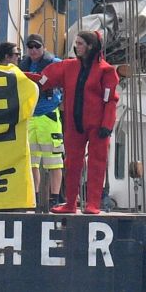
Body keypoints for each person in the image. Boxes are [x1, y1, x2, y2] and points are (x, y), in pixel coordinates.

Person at [26, 30, 120, 214]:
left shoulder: (106, 71)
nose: (76, 46)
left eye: (80, 43)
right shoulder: (68, 67)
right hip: (74, 126)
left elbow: (111, 100)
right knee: (72, 162)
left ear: (90, 46)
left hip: (98, 126)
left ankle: (93, 203)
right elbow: (44, 80)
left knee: (96, 162)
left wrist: (107, 125)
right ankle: (70, 203)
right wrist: (22, 77)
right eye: (76, 43)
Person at [19, 34, 64, 207]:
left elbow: (68, 75)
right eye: (30, 47)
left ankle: (54, 197)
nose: (34, 50)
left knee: (54, 161)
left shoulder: (55, 62)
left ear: (44, 47)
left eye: (37, 46)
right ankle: (35, 196)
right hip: (30, 116)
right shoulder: (23, 65)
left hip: (49, 115)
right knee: (32, 162)